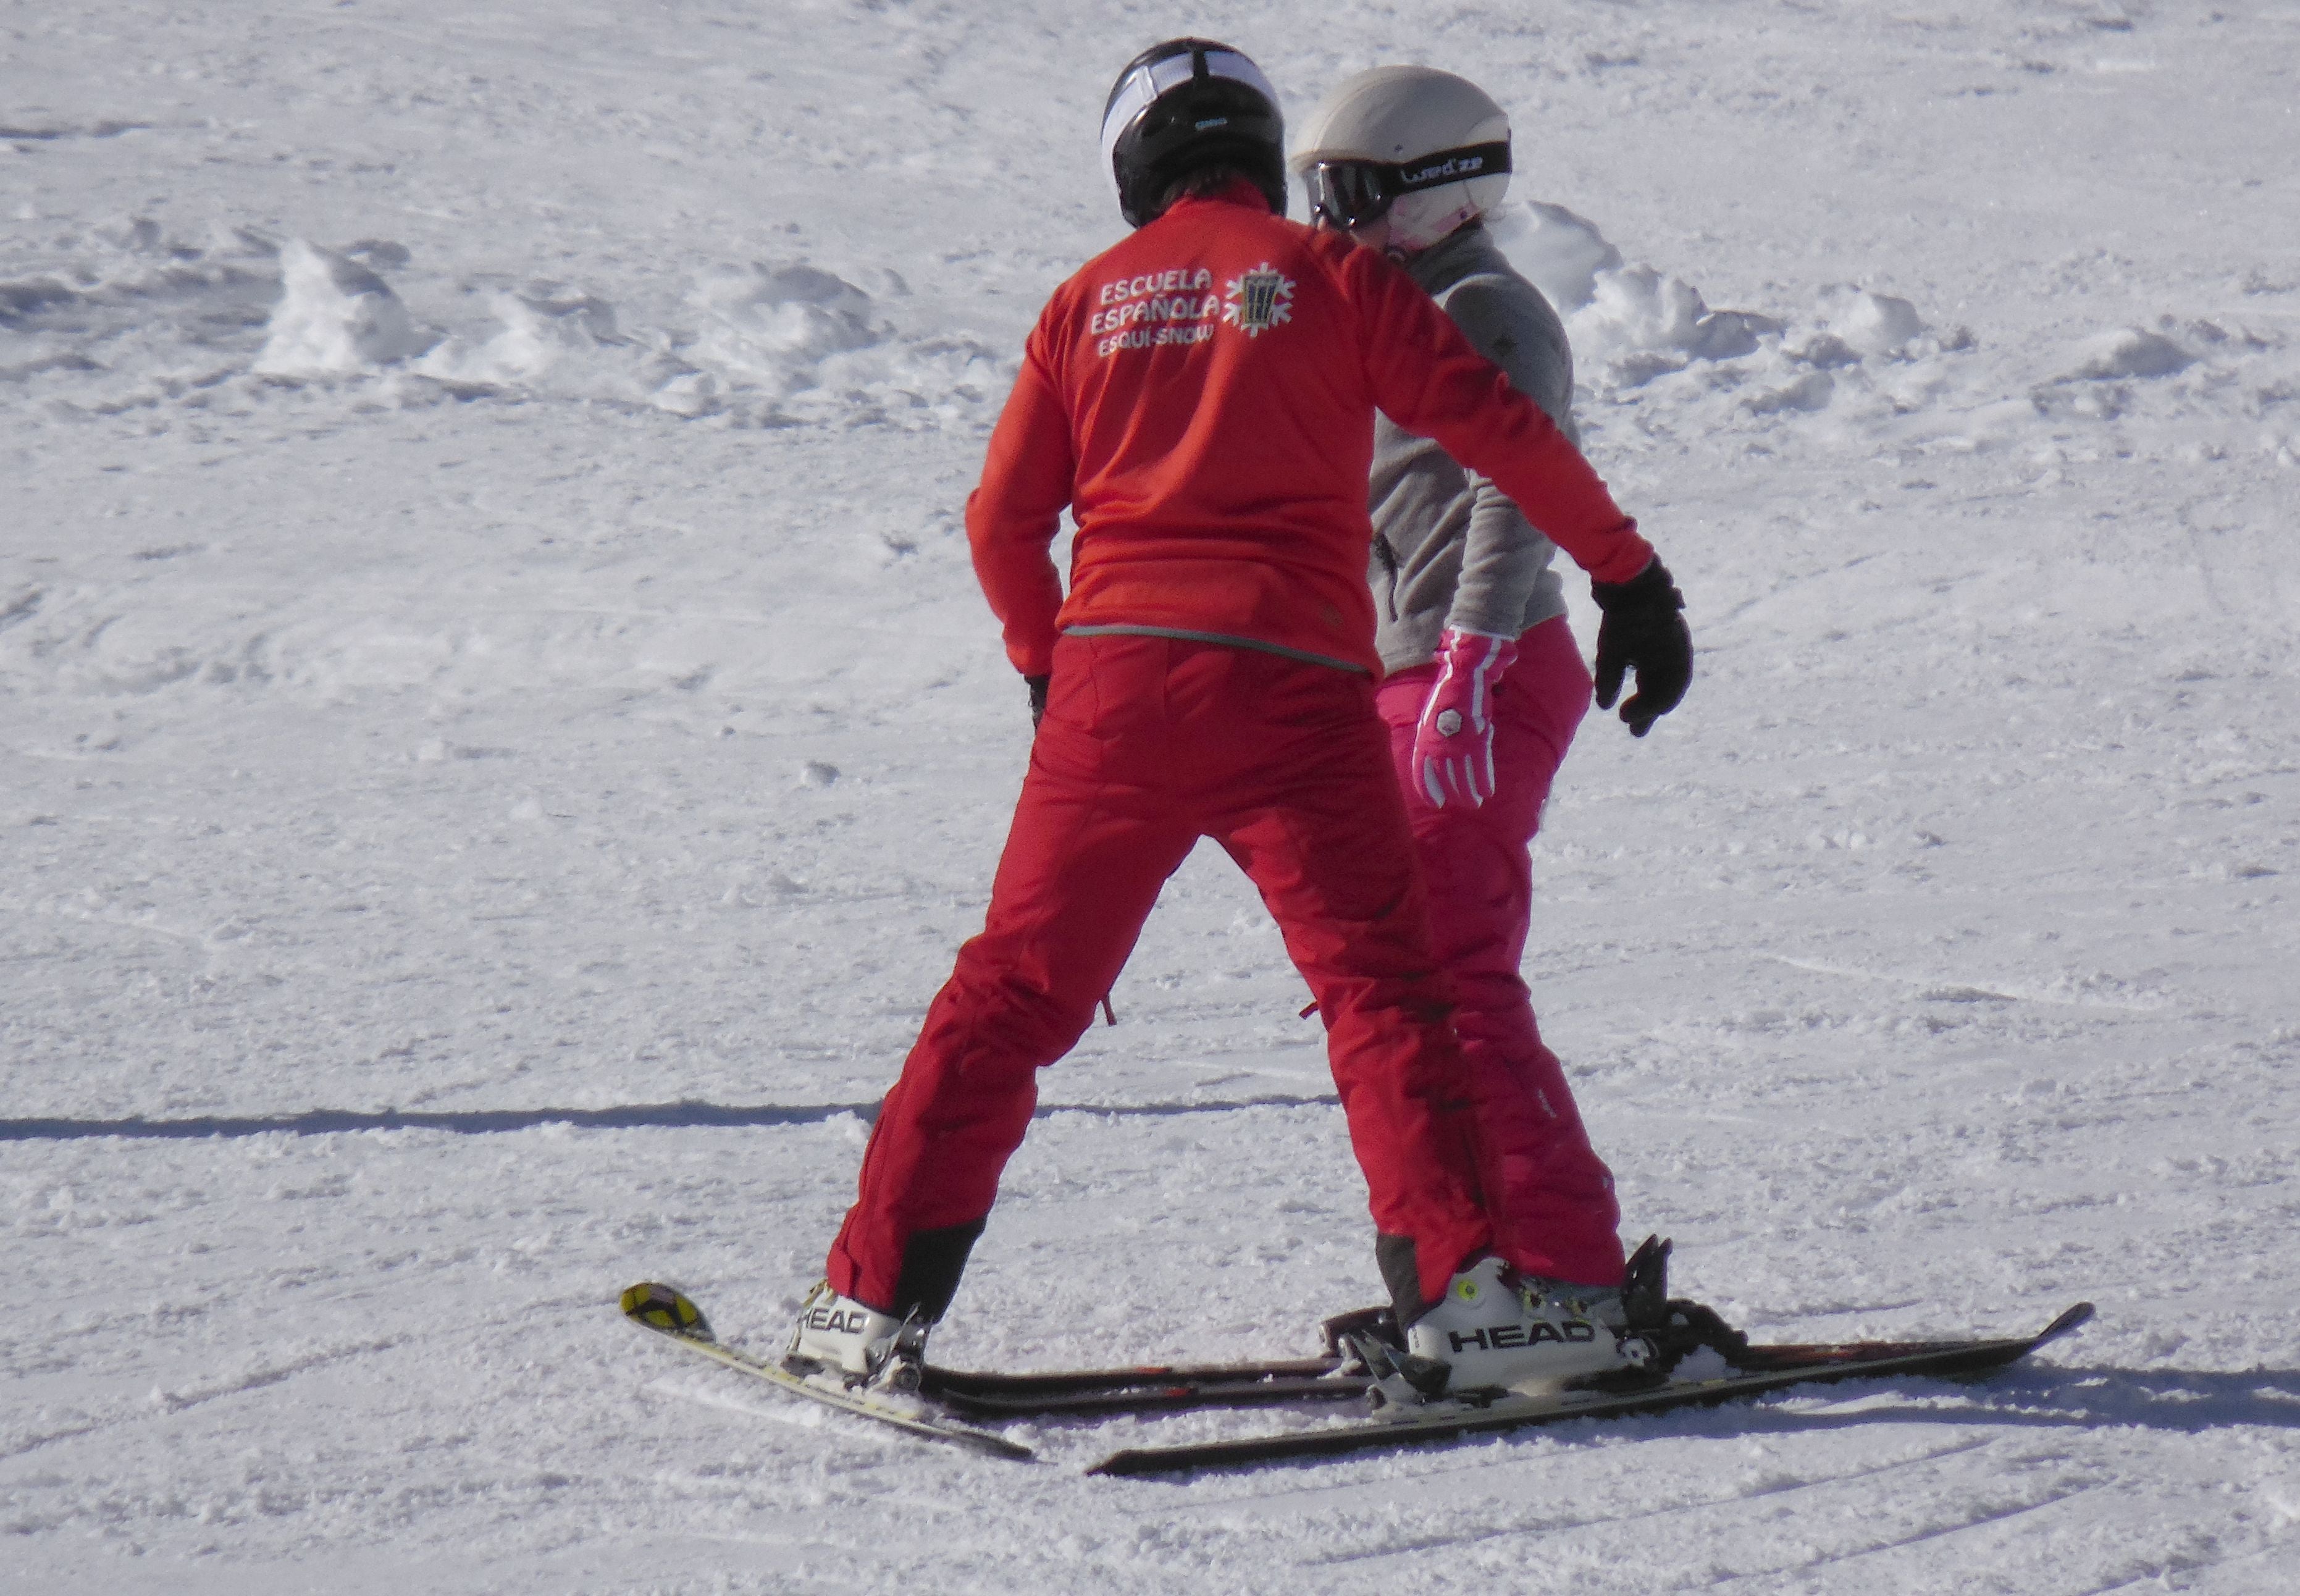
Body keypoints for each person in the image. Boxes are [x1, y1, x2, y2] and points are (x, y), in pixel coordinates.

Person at [784, 39, 1693, 1402]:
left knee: (1008, 994)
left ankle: (864, 1302)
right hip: (1294, 693)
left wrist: (1046, 662)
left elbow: (999, 522)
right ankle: (1468, 1306)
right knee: (1384, 994)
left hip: (1112, 689)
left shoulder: (1080, 303)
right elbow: (1498, 429)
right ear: (1261, 156)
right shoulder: (1328, 277)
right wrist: (1628, 575)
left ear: (1129, 169)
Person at [1289, 69, 1692, 1307]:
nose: (1327, 220)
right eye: (1314, 194)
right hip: (1403, 673)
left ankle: (1560, 1272)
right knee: (1412, 979)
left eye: (1349, 193)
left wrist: (1467, 657)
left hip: (1482, 670)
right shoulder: (1371, 304)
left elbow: (1514, 484)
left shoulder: (1483, 308)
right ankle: (1481, 1258)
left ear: (1436, 188)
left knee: (1450, 971)